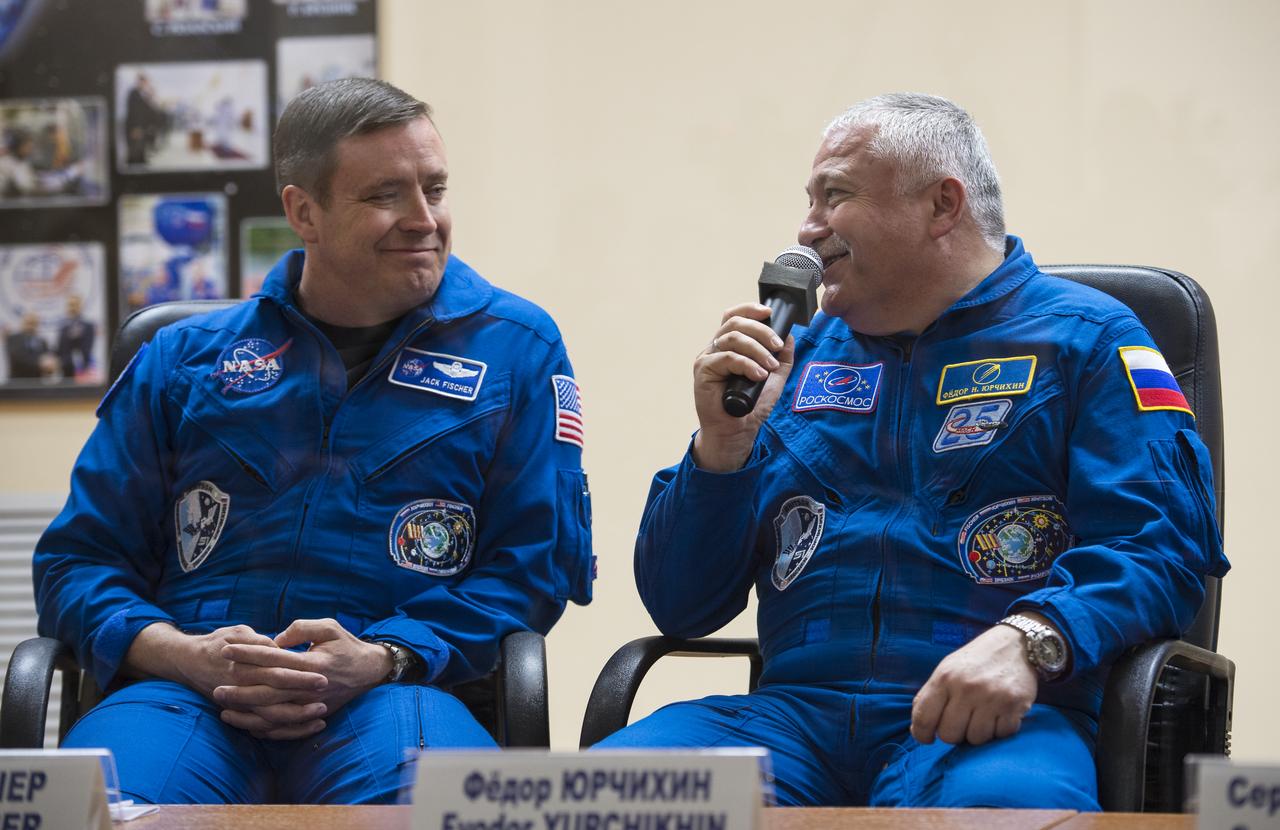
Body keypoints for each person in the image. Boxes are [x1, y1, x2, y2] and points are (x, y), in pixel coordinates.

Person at [595, 93, 1228, 810]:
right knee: (594, 800)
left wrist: (1032, 637)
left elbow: (1162, 548)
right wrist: (721, 447)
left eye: (834, 196)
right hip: (792, 723)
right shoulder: (789, 362)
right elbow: (681, 605)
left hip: (988, 724)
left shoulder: (1089, 340)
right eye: (808, 200)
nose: (806, 229)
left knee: (1001, 817)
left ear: (941, 206)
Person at [34, 77, 594, 804]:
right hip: (188, 694)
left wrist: (384, 655)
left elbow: (531, 570)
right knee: (83, 811)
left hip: (394, 693)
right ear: (305, 212)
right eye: (385, 195)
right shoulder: (184, 360)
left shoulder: (517, 349)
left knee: (444, 815)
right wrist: (183, 654)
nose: (424, 219)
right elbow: (78, 562)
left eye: (436, 188)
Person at [56, 294, 96, 380]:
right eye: (70, 305)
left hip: (82, 370)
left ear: (81, 306)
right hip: (64, 371)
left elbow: (87, 349)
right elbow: (59, 349)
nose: (72, 308)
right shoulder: (63, 327)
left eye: (75, 305)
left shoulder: (88, 326)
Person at [4, 311, 51, 379]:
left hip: (37, 383)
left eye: (34, 324)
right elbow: (18, 358)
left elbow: (47, 358)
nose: (30, 327)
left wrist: (51, 365)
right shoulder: (13, 338)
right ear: (22, 323)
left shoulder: (42, 341)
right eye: (28, 323)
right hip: (17, 383)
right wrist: (40, 364)